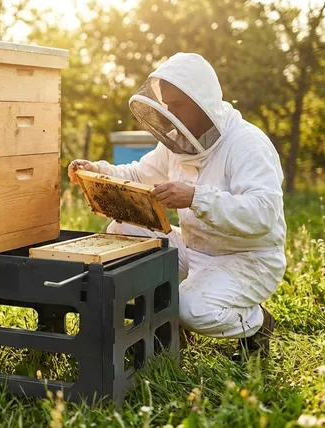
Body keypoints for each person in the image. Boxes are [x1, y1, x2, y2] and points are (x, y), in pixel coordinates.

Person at [69, 52, 286, 360]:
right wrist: (98, 170)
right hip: (193, 247)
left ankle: (257, 324)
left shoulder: (248, 144)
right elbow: (138, 175)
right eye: (168, 105)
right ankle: (166, 324)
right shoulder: (177, 142)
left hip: (246, 257)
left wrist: (196, 197)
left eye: (179, 106)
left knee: (191, 309)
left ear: (202, 103)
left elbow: (262, 214)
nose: (171, 113)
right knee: (121, 229)